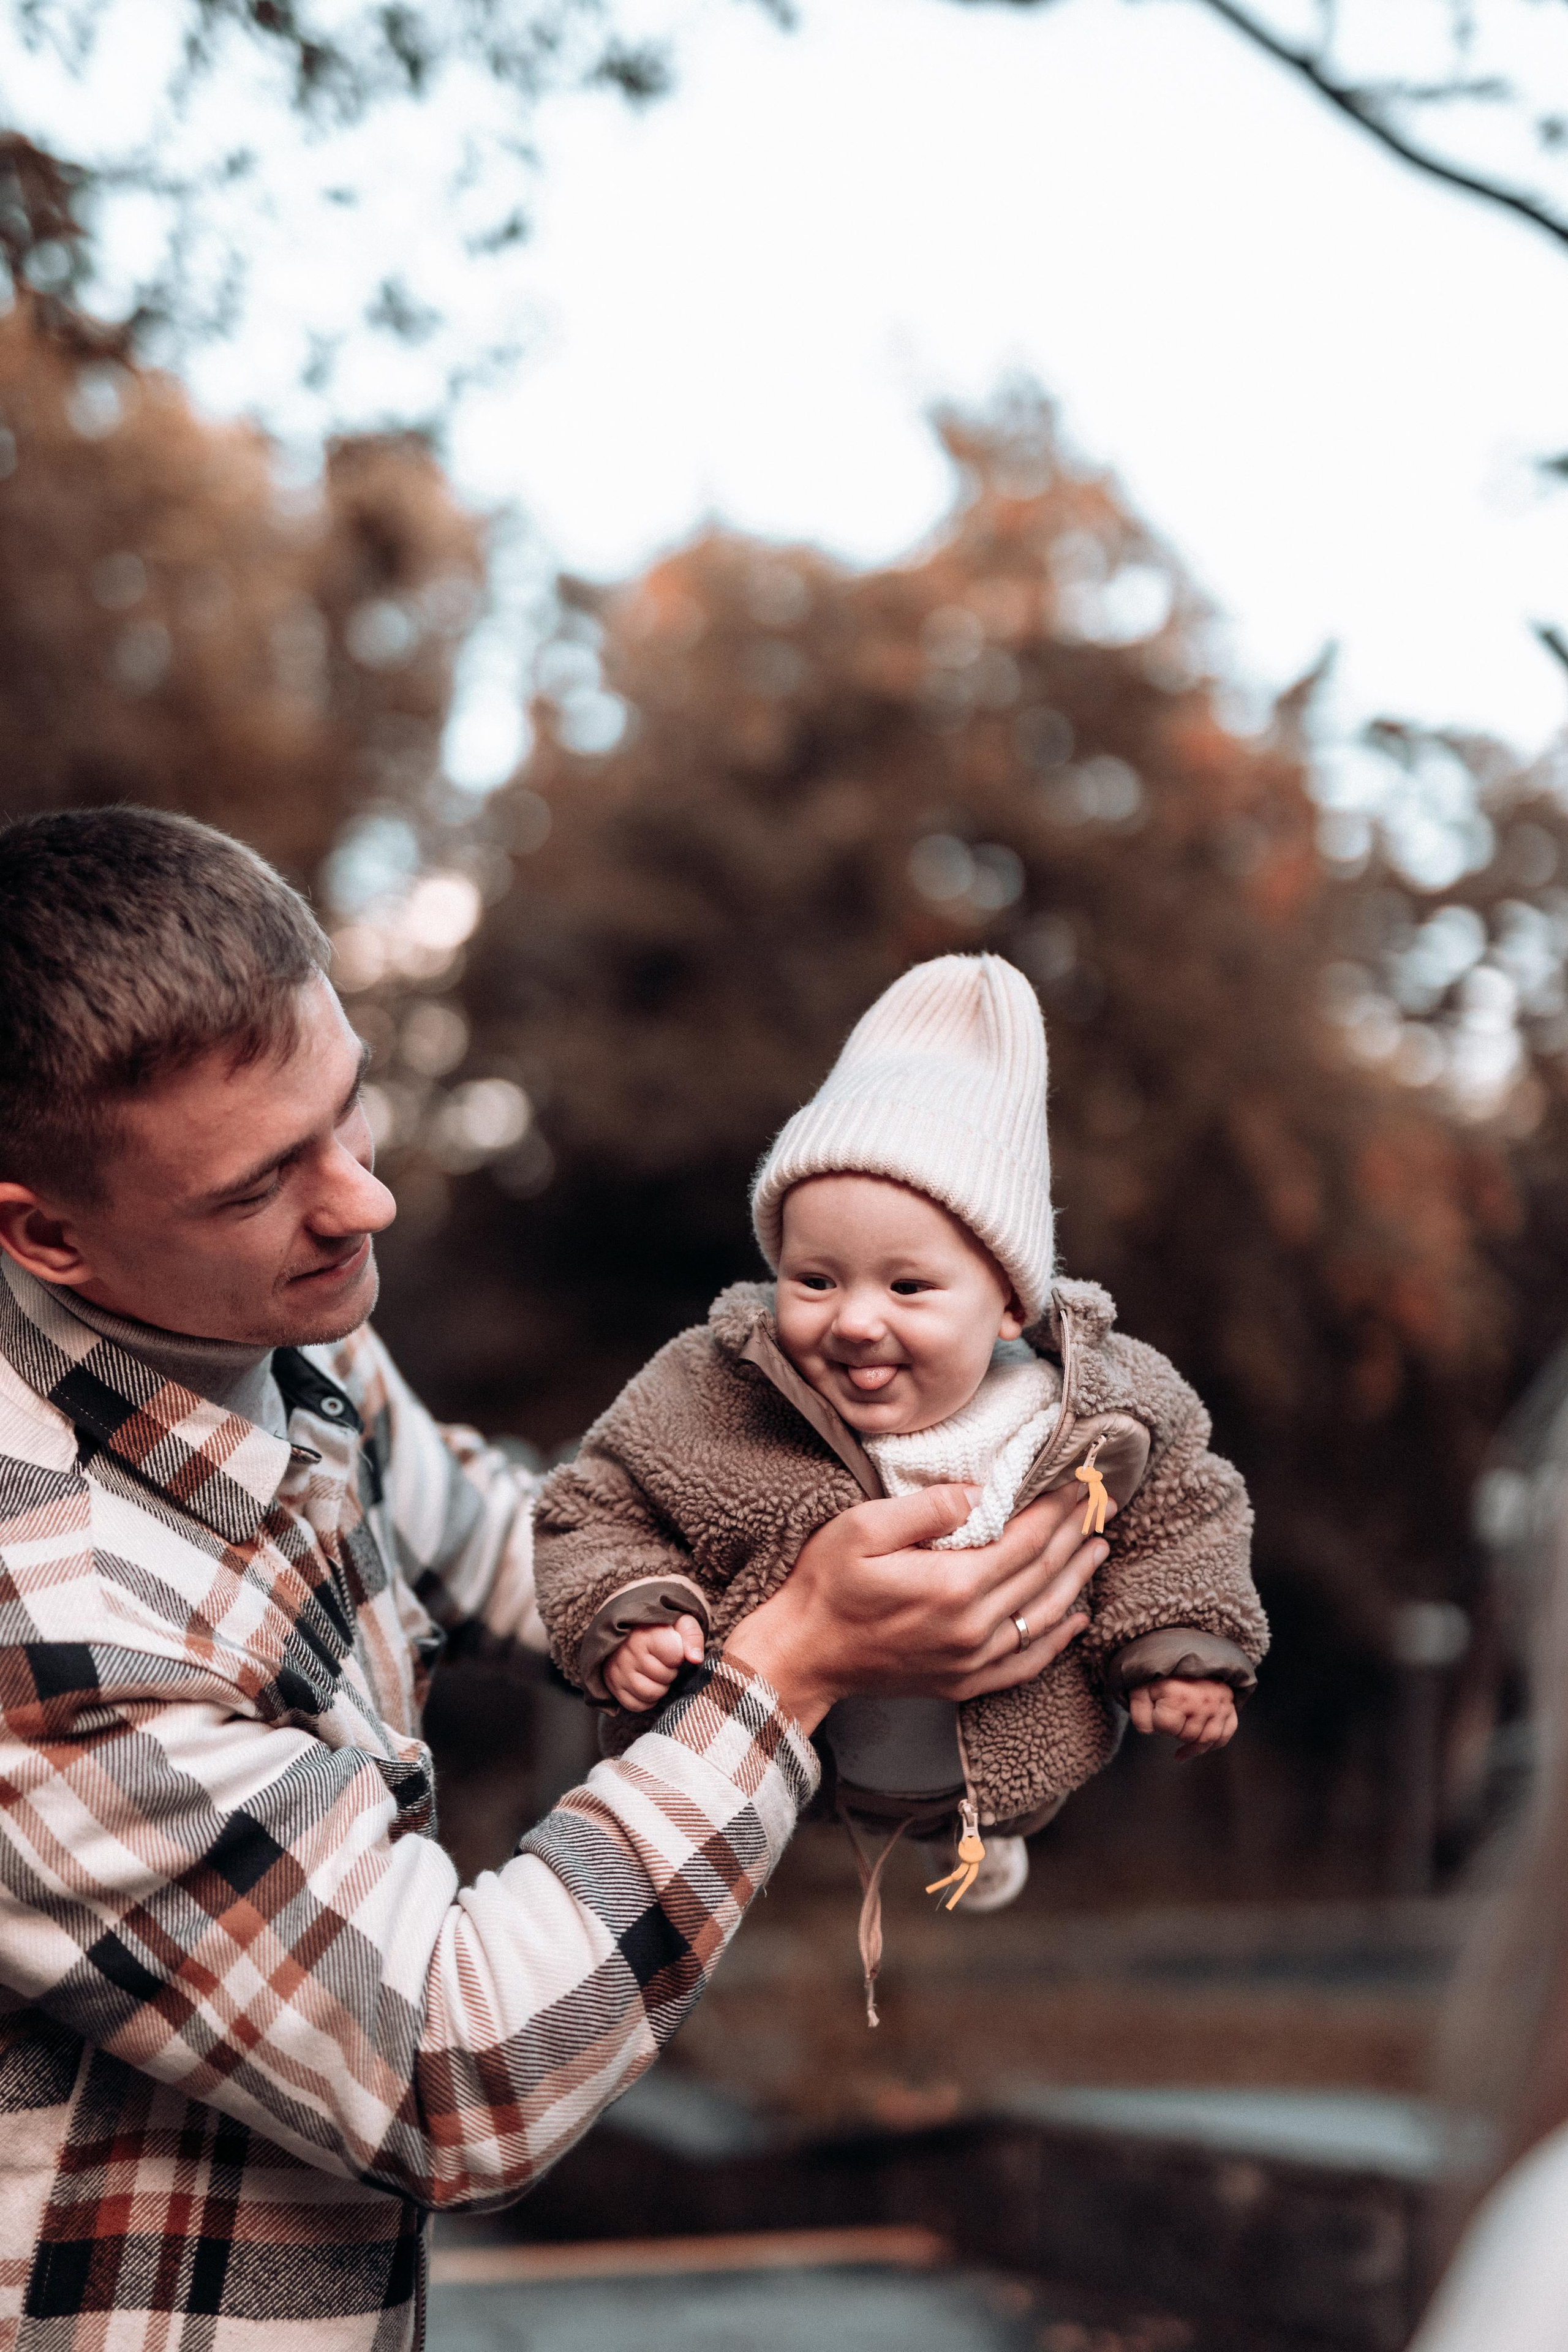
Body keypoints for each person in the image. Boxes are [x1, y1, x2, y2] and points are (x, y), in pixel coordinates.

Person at [0, 809, 1108, 2351]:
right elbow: (452, 2068)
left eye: (349, 1110)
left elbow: (500, 1546)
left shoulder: (268, 1327)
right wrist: (786, 1668)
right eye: (262, 1185)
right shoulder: (40, 1620)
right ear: (46, 1233)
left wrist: (881, 1541)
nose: (361, 1201)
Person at [533, 956, 1267, 2018]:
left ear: (1010, 1304)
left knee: (998, 1817)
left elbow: (1191, 1511)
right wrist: (633, 1609)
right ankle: (872, 1834)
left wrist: (1183, 1647)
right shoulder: (716, 1390)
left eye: (910, 1286)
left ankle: (988, 1835)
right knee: (784, 1834)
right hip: (800, 1755)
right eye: (815, 1279)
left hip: (1020, 1744)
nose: (856, 1320)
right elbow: (596, 1502)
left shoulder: (1097, 1409)